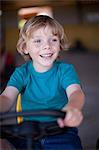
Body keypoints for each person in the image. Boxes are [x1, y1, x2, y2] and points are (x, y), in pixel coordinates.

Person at [0, 15, 85, 150]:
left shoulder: (65, 70)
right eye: (38, 41)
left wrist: (73, 107)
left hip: (60, 130)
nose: (47, 46)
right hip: (27, 132)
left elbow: (76, 92)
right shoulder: (22, 73)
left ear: (60, 45)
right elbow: (6, 97)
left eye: (53, 40)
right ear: (25, 47)